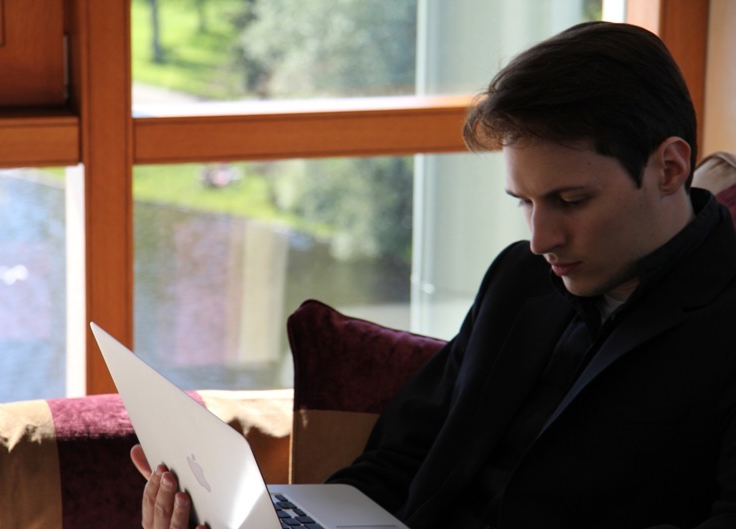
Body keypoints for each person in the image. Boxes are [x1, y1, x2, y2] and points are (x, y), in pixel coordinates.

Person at [132, 21, 736, 529]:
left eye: (570, 201)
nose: (540, 238)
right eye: (524, 202)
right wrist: (278, 521)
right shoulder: (520, 280)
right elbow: (400, 459)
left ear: (669, 168)